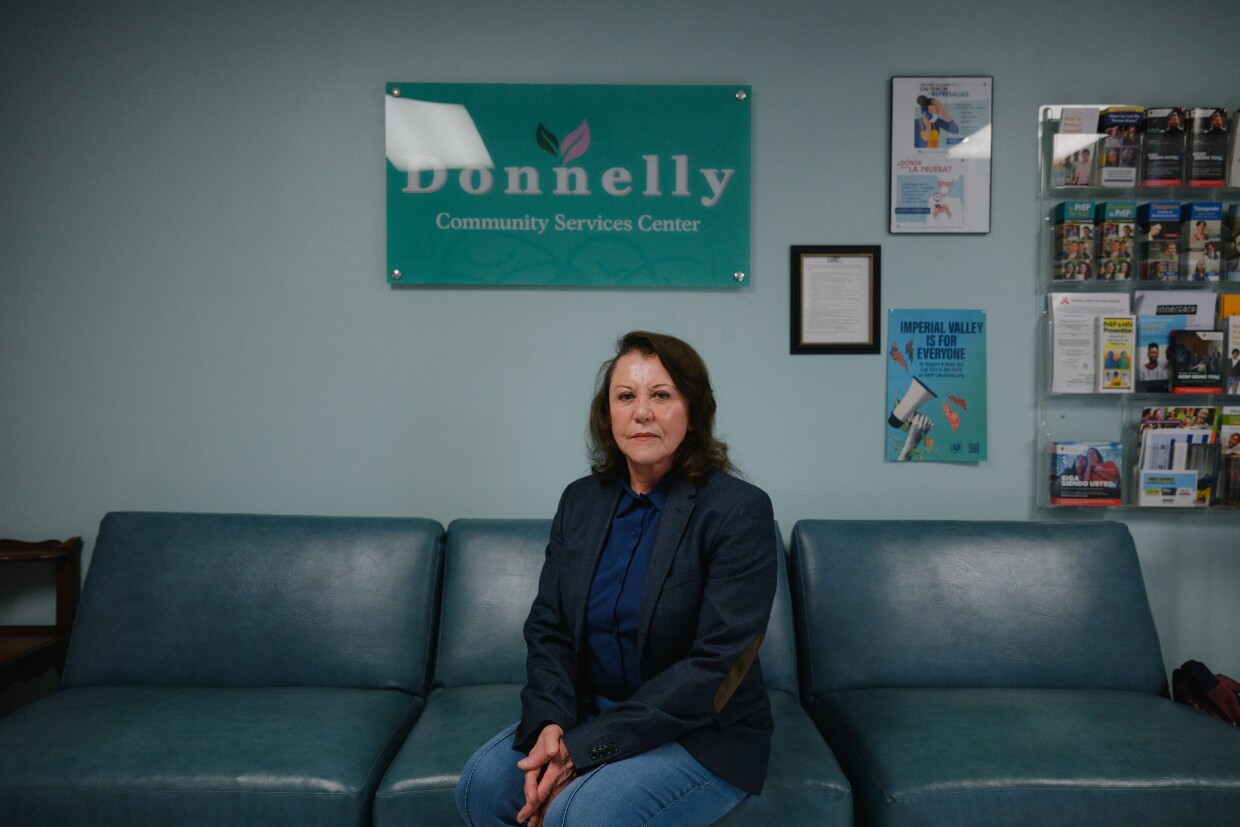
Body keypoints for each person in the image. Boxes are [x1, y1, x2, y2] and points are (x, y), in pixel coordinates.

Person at [457, 331, 778, 827]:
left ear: (693, 412)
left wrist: (584, 748)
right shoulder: (580, 501)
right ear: (607, 415)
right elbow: (549, 628)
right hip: (586, 712)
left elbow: (716, 665)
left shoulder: (738, 511)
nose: (642, 412)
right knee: (481, 786)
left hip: (699, 731)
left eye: (662, 395)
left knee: (582, 814)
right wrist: (551, 722)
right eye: (626, 396)